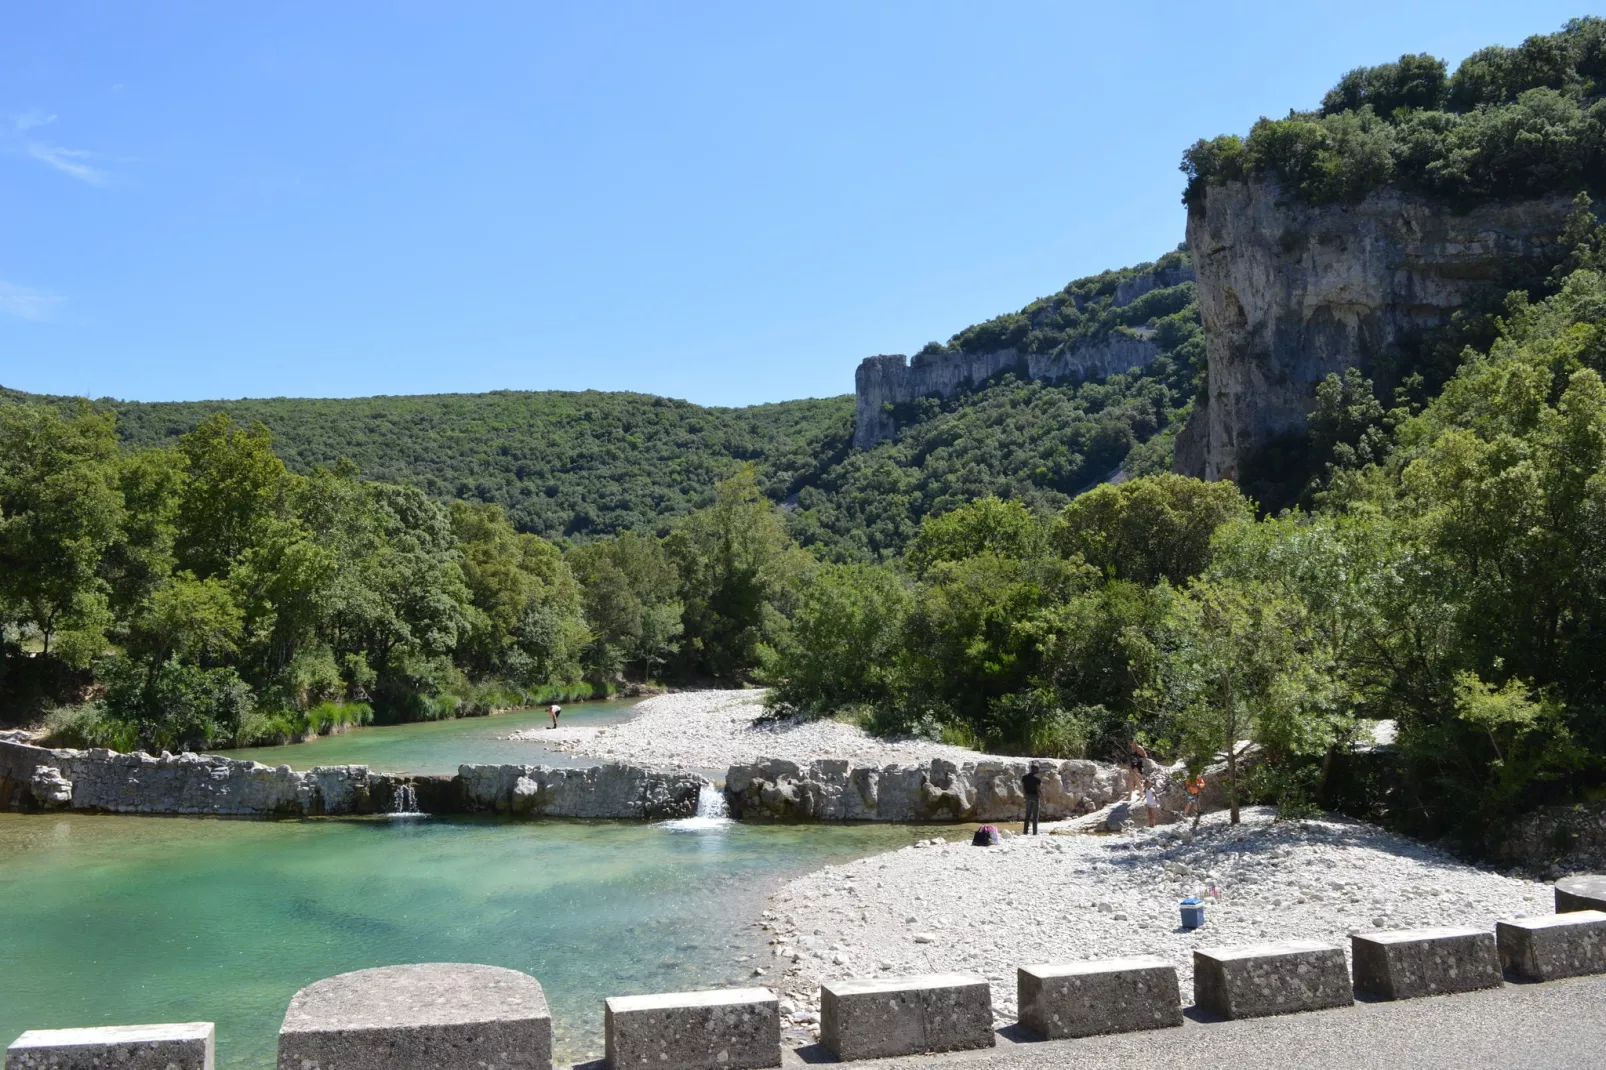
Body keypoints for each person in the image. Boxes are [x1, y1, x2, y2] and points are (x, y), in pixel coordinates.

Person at [1020, 763, 1042, 835]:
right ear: (1034, 769)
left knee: (1028, 815)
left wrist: (1024, 796)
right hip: (1035, 797)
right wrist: (1043, 799)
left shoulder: (1024, 777)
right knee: (1035, 816)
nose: (1038, 770)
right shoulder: (1037, 779)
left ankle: (1025, 831)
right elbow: (1038, 790)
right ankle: (1034, 832)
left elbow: (1023, 788)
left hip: (1028, 797)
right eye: (1037, 769)